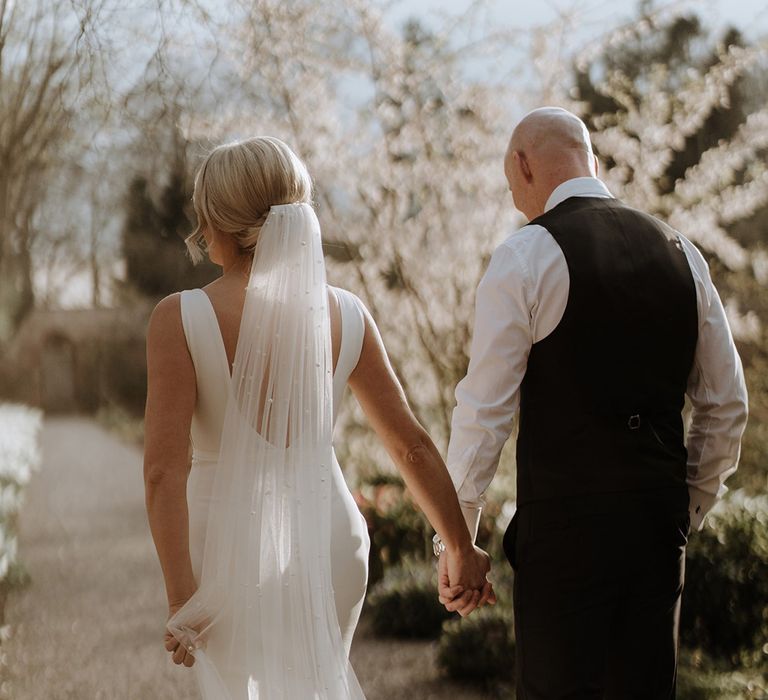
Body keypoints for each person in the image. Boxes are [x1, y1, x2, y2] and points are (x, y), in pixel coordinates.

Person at [142, 136, 494, 699]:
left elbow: (163, 471)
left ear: (222, 222)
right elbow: (411, 447)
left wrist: (182, 599)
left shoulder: (180, 318)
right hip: (330, 541)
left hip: (222, 555)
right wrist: (459, 546)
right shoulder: (345, 313)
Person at [439, 107, 748, 698]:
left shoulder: (525, 255)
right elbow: (726, 404)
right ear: (594, 164)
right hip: (657, 529)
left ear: (523, 165)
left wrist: (457, 540)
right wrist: (686, 510)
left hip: (564, 532)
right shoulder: (683, 252)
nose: (513, 203)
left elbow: (484, 413)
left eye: (511, 187)